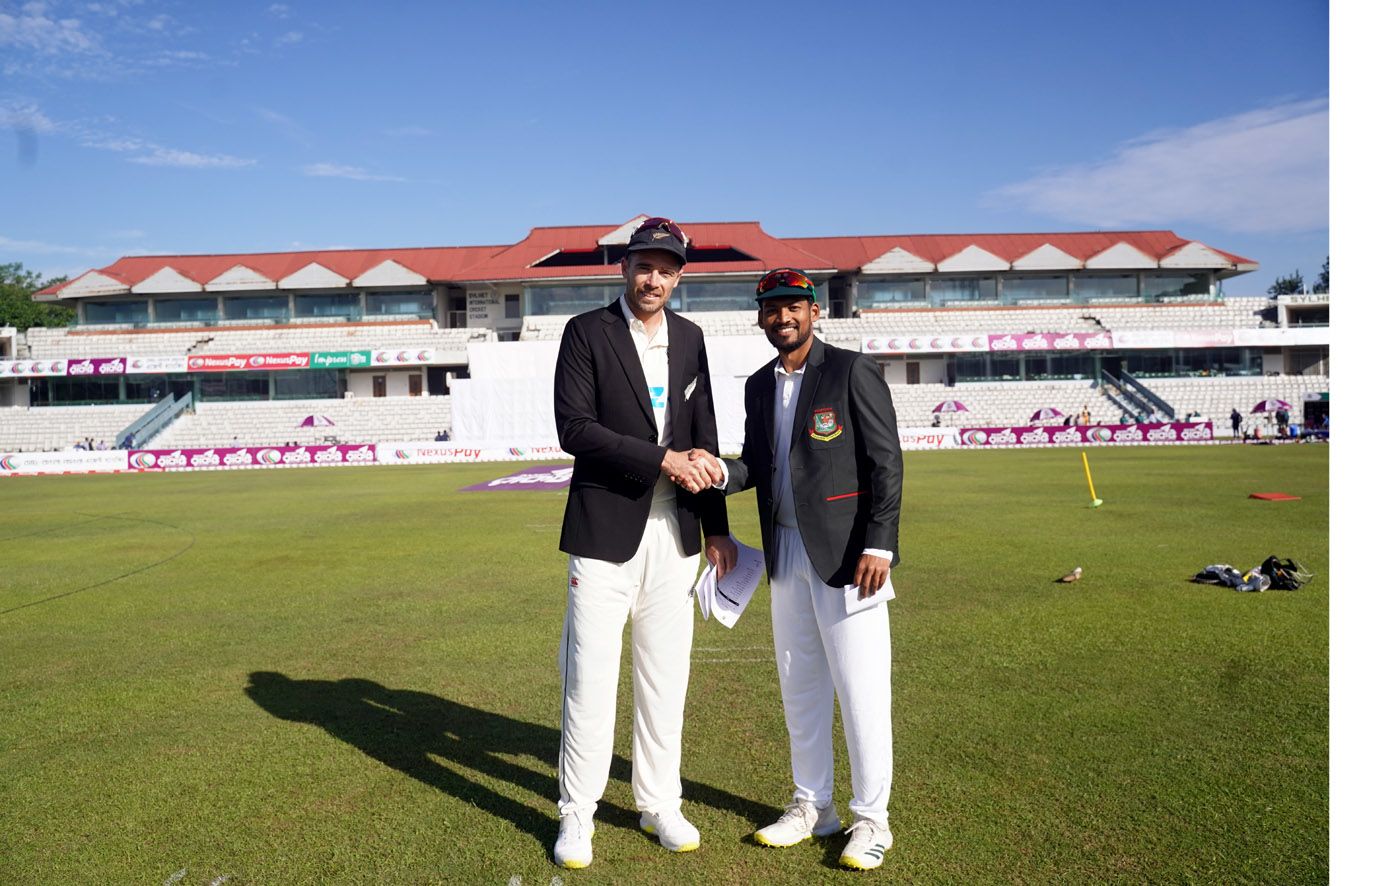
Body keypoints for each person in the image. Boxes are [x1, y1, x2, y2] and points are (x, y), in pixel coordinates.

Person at [695, 267, 903, 871]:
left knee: (863, 692)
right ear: (760, 317)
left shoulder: (850, 370)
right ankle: (813, 807)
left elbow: (885, 463)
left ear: (814, 311)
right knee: (799, 687)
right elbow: (756, 465)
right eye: (771, 308)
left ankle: (872, 821)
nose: (781, 317)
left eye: (793, 306)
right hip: (784, 551)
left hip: (848, 557)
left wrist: (880, 546)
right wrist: (718, 472)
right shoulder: (759, 385)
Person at [550, 217, 730, 869]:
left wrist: (719, 531)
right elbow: (575, 428)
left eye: (666, 268)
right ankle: (578, 814)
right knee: (589, 681)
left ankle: (659, 803)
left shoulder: (691, 338)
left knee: (665, 679)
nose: (653, 279)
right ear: (624, 268)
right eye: (643, 266)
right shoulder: (586, 333)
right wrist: (661, 459)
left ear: (680, 275)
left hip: (675, 536)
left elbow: (704, 436)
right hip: (604, 534)